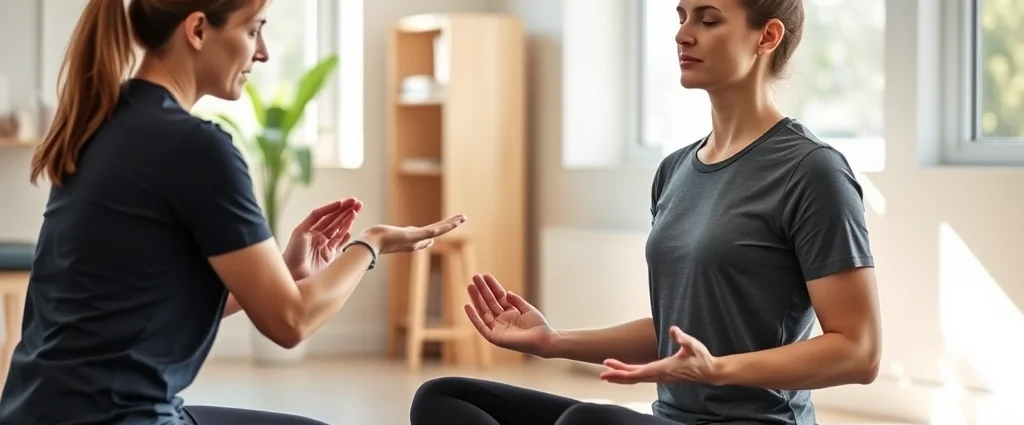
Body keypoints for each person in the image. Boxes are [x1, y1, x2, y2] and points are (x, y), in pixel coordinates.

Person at [410, 0, 883, 424]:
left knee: (588, 424)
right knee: (445, 397)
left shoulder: (812, 170)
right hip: (668, 417)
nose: (683, 33)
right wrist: (553, 343)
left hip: (758, 422)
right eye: (681, 17)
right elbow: (677, 328)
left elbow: (858, 351)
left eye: (708, 18)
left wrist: (718, 370)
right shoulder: (675, 169)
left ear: (767, 36)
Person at [0, 0, 466, 424]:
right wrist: (372, 244)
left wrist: (280, 273)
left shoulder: (98, 122)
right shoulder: (195, 148)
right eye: (253, 31)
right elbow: (292, 322)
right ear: (198, 30)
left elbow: (141, 303)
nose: (262, 53)